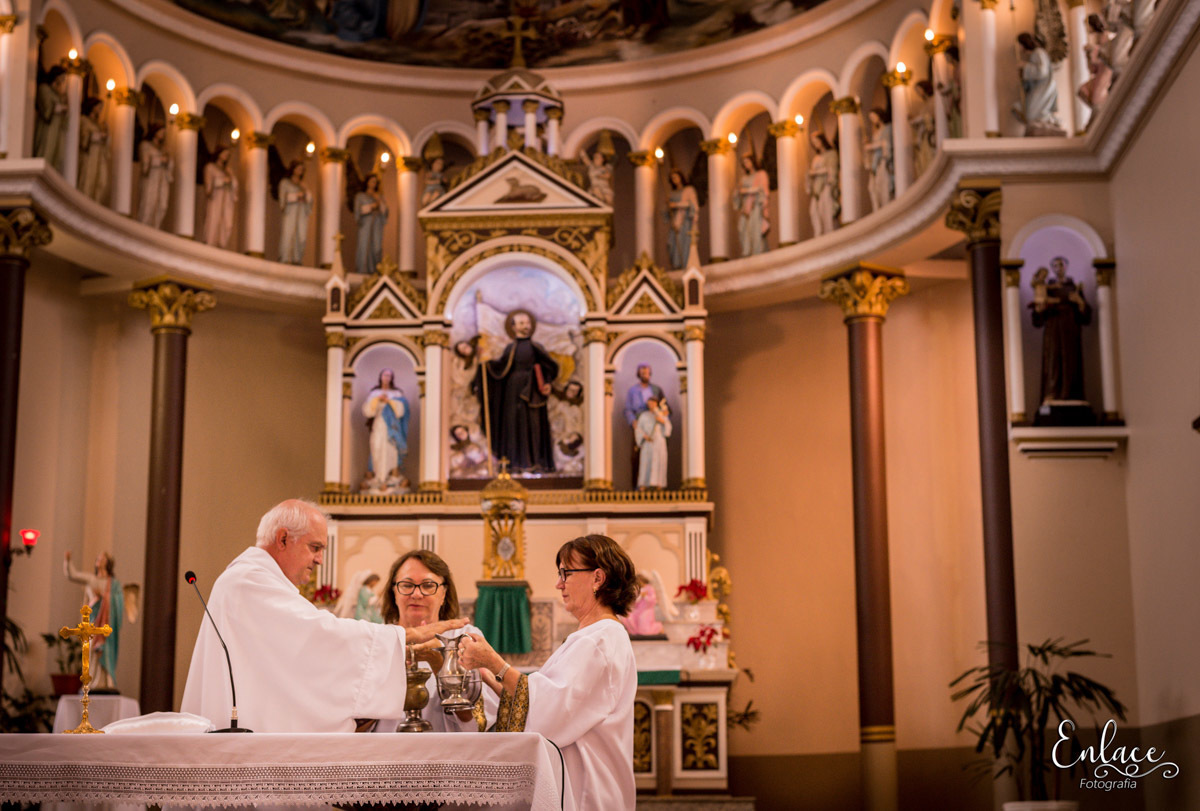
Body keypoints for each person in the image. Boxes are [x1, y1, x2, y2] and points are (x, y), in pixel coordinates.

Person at [180, 499, 464, 732]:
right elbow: (319, 636)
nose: (319, 559)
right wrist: (405, 636)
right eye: (314, 547)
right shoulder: (248, 581)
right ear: (282, 539)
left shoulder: (260, 581)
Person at [459, 535, 638, 811]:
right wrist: (487, 674)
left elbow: (551, 713)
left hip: (587, 790)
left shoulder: (600, 640)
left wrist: (495, 663)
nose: (559, 584)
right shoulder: (593, 636)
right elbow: (540, 702)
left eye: (566, 573)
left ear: (598, 578)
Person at [375, 550, 498, 732]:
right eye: (407, 585)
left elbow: (477, 723)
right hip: (387, 753)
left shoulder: (466, 638)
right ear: (394, 591)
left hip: (449, 754)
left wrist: (441, 663)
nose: (417, 594)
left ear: (443, 593)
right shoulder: (379, 640)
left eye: (428, 585)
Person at [471, 309, 559, 473]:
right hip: (512, 391)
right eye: (521, 323)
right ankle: (512, 463)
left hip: (533, 390)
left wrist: (546, 382)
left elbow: (550, 366)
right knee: (512, 424)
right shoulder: (510, 348)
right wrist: (486, 364)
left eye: (527, 323)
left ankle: (535, 463)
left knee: (534, 424)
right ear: (513, 327)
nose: (525, 326)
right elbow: (501, 368)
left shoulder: (535, 347)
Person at [63, 550, 135, 691]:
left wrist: (106, 598)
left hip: (107, 626)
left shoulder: (114, 584)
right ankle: (91, 683)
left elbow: (119, 602)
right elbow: (73, 575)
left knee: (106, 652)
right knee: (91, 652)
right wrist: (67, 561)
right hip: (93, 622)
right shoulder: (91, 580)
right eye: (98, 558)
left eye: (103, 558)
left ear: (108, 563)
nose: (99, 560)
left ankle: (107, 683)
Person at [1031, 256, 1092, 404]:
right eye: (1056, 266)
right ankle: (1052, 393)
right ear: (1053, 269)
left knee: (1071, 361)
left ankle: (1071, 394)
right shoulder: (1048, 288)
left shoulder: (1074, 288)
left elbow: (1086, 316)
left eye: (1061, 265)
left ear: (1066, 267)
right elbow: (1038, 317)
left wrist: (1080, 302)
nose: (1059, 268)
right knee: (1053, 361)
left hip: (1070, 329)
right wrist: (1040, 309)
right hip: (1053, 329)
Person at [361, 368, 410, 493]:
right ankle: (378, 478)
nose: (386, 378)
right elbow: (367, 411)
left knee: (391, 450)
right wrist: (377, 400)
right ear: (380, 376)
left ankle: (392, 477)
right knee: (376, 448)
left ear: (392, 378)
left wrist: (389, 401)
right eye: (384, 375)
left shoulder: (396, 394)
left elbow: (401, 411)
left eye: (389, 375)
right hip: (378, 425)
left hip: (392, 428)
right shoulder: (374, 393)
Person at [1015, 33, 1064, 136]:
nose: (1019, 48)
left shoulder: (1039, 52)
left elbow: (1042, 71)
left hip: (1044, 88)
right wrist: (1023, 75)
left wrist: (1026, 66)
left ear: (1024, 43)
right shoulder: (1035, 54)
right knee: (1030, 114)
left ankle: (1051, 121)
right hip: (1038, 87)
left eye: (1020, 44)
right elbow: (1031, 80)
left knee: (1032, 114)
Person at [733, 154, 770, 256]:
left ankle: (757, 254)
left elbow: (763, 191)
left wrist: (747, 191)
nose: (746, 164)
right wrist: (739, 192)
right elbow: (737, 194)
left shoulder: (761, 174)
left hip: (755, 207)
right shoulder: (743, 179)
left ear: (753, 161)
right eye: (744, 163)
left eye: (747, 161)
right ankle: (746, 253)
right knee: (742, 229)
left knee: (755, 232)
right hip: (746, 210)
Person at [137, 125, 174, 228]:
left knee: (162, 205)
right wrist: (161, 160)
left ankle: (155, 227)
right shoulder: (145, 145)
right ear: (155, 132)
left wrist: (168, 161)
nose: (163, 134)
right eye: (161, 131)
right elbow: (145, 162)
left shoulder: (164, 149)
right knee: (149, 202)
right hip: (151, 178)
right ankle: (143, 226)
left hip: (162, 179)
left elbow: (170, 164)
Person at [33, 67, 69, 172]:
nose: (63, 80)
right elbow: (46, 109)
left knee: (56, 156)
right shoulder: (44, 88)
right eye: (62, 77)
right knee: (46, 151)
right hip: (47, 128)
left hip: (57, 129)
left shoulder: (60, 95)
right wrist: (57, 108)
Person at [203, 146, 239, 248]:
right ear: (218, 154)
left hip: (227, 199)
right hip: (216, 199)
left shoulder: (228, 170)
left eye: (228, 155)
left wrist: (231, 180)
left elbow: (235, 185)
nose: (226, 156)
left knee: (227, 224)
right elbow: (209, 186)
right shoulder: (210, 167)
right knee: (214, 220)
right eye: (224, 154)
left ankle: (221, 244)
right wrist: (222, 181)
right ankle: (210, 242)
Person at [278, 160, 313, 264]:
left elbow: (310, 199)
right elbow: (283, 198)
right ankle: (284, 258)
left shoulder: (303, 185)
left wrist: (306, 193)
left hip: (301, 213)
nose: (300, 171)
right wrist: (298, 196)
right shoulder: (285, 183)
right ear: (293, 169)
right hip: (290, 213)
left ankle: (297, 259)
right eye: (298, 168)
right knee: (287, 234)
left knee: (301, 236)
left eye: (302, 169)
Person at [78, 98, 111, 204]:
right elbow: (83, 138)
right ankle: (84, 203)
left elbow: (106, 144)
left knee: (102, 181)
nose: (101, 109)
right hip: (90, 155)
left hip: (99, 156)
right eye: (99, 107)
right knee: (88, 179)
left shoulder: (99, 124)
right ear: (92, 106)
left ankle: (95, 203)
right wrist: (98, 136)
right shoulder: (84, 120)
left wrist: (106, 133)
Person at [665, 169, 699, 270]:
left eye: (676, 177)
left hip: (685, 222)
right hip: (676, 223)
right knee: (672, 244)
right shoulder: (671, 194)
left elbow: (693, 205)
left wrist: (675, 205)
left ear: (681, 177)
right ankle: (676, 265)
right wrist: (667, 205)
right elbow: (666, 213)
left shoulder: (689, 190)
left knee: (685, 244)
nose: (675, 180)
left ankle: (685, 265)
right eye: (672, 178)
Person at [806, 133, 839, 236]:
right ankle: (818, 235)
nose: (815, 144)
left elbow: (832, 170)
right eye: (813, 143)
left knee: (826, 213)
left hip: (826, 187)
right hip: (817, 189)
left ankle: (829, 234)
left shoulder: (832, 154)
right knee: (813, 212)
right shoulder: (816, 158)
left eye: (816, 141)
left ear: (822, 140)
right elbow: (811, 174)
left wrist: (816, 172)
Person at [635, 396, 671, 489]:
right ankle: (644, 484)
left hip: (659, 441)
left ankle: (659, 484)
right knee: (646, 462)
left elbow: (668, 428)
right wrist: (644, 436)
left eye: (654, 403)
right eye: (650, 403)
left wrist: (662, 420)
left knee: (659, 461)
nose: (652, 405)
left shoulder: (661, 414)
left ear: (657, 404)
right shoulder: (644, 416)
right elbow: (638, 429)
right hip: (648, 442)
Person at [355, 173, 388, 274]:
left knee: (377, 248)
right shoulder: (361, 196)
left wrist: (379, 200)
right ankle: (363, 271)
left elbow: (385, 211)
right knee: (364, 247)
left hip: (376, 225)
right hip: (365, 225)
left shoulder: (379, 196)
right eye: (372, 181)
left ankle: (375, 271)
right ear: (367, 182)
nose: (373, 183)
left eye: (375, 182)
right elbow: (358, 211)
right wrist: (372, 206)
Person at [864, 108, 893, 212]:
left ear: (879, 115)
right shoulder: (876, 133)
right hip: (875, 165)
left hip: (882, 162)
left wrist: (872, 146)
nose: (873, 120)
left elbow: (887, 144)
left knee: (883, 188)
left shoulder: (888, 128)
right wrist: (868, 145)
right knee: (872, 188)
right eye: (871, 118)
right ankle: (877, 211)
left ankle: (886, 211)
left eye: (873, 117)